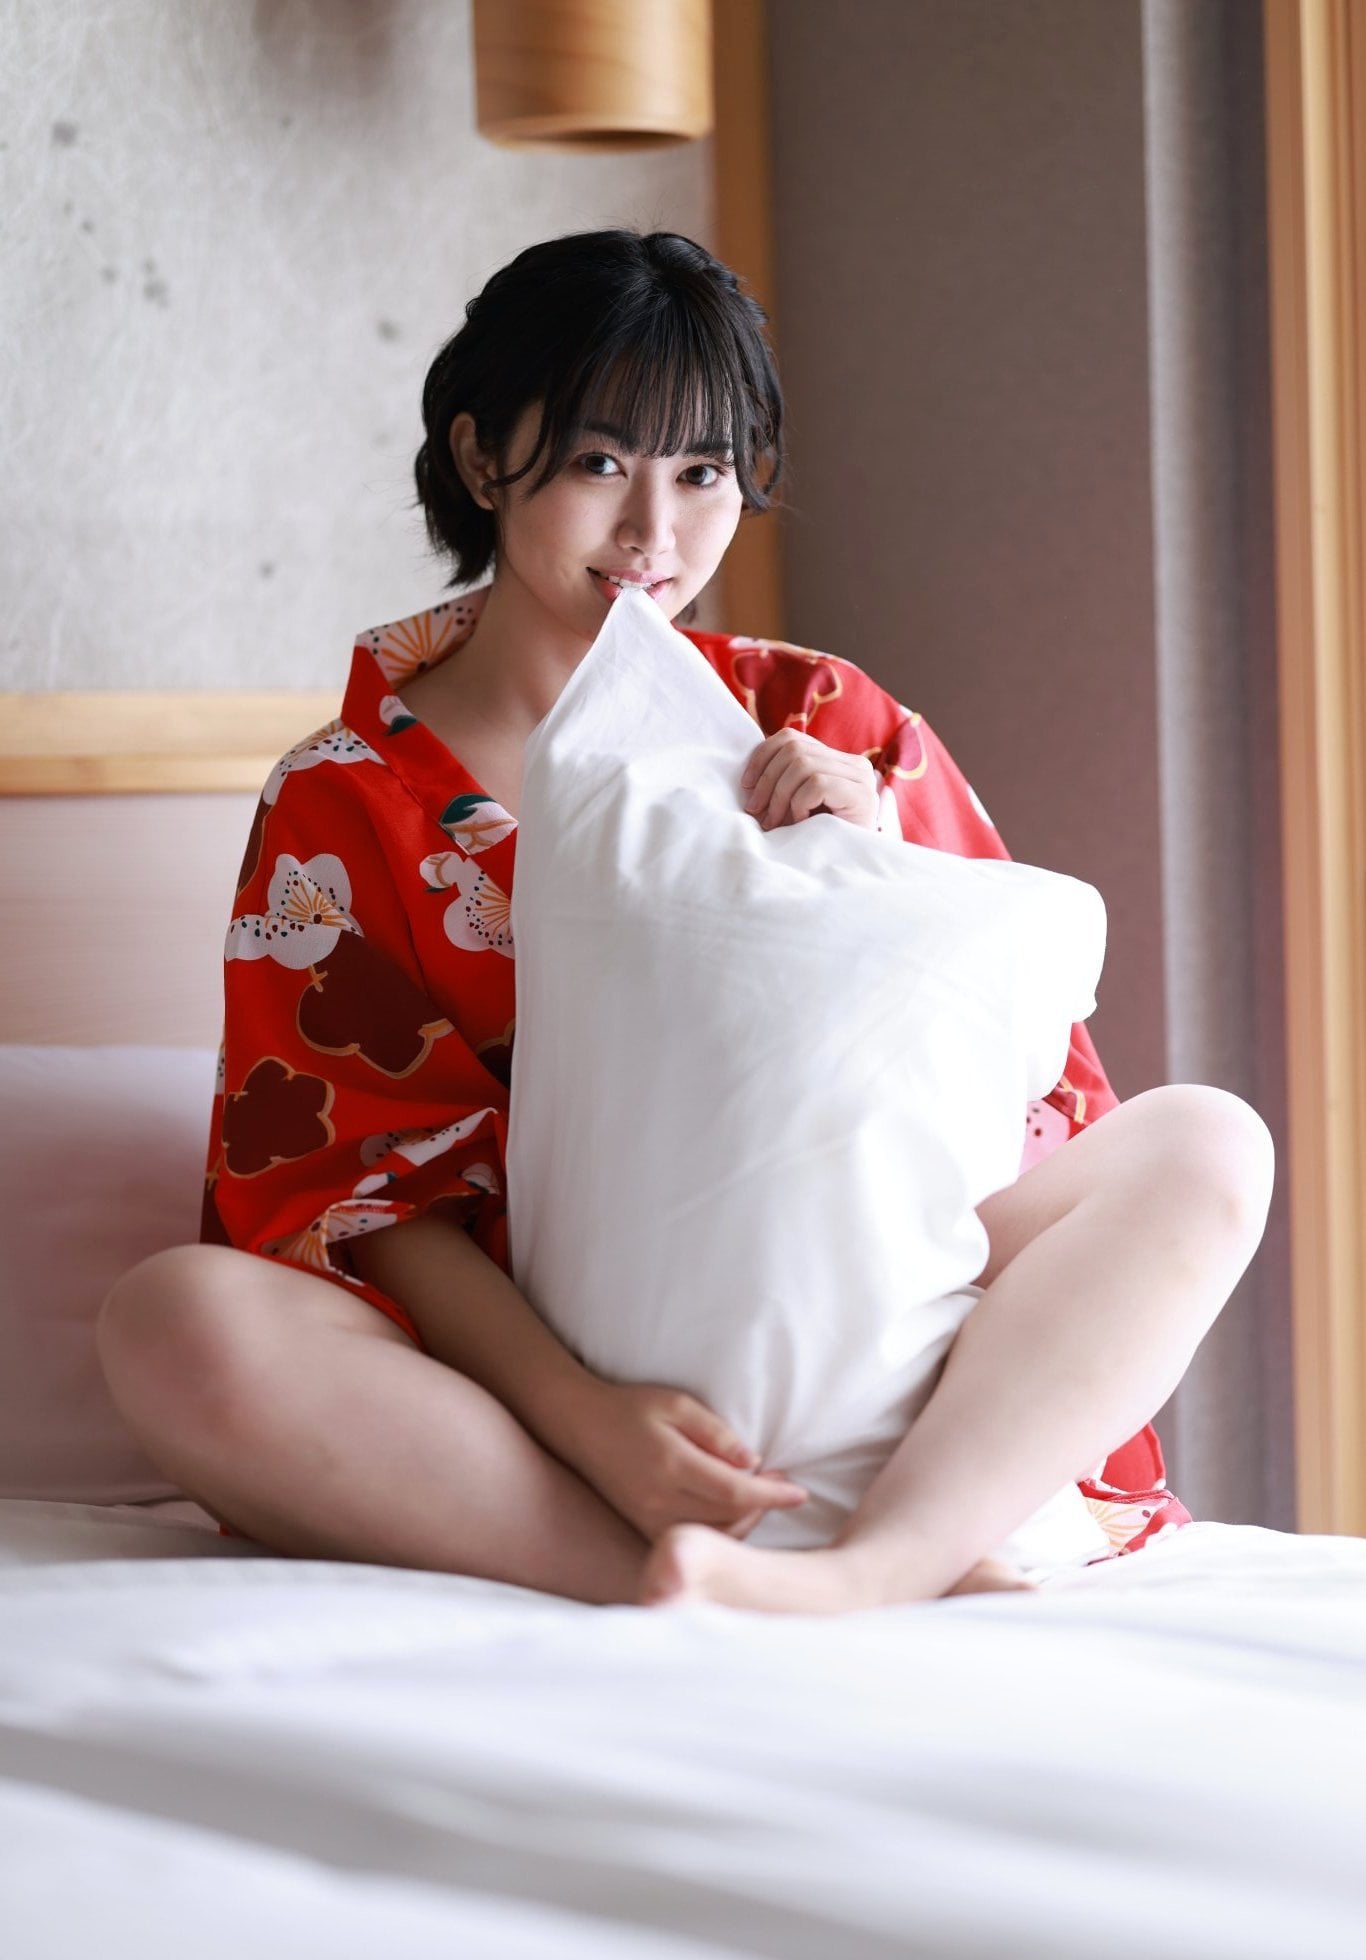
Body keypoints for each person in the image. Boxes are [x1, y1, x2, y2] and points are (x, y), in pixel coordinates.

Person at [95, 228, 1272, 1614]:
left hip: (853, 1263)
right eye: (599, 463)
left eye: (702, 472)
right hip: (529, 1347)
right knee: (175, 1318)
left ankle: (883, 1560)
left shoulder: (821, 714)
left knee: (1208, 1143)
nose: (653, 533)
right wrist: (583, 1412)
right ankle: (652, 1574)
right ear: (482, 458)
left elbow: (1015, 1088)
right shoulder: (344, 798)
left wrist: (866, 850)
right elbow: (360, 1193)